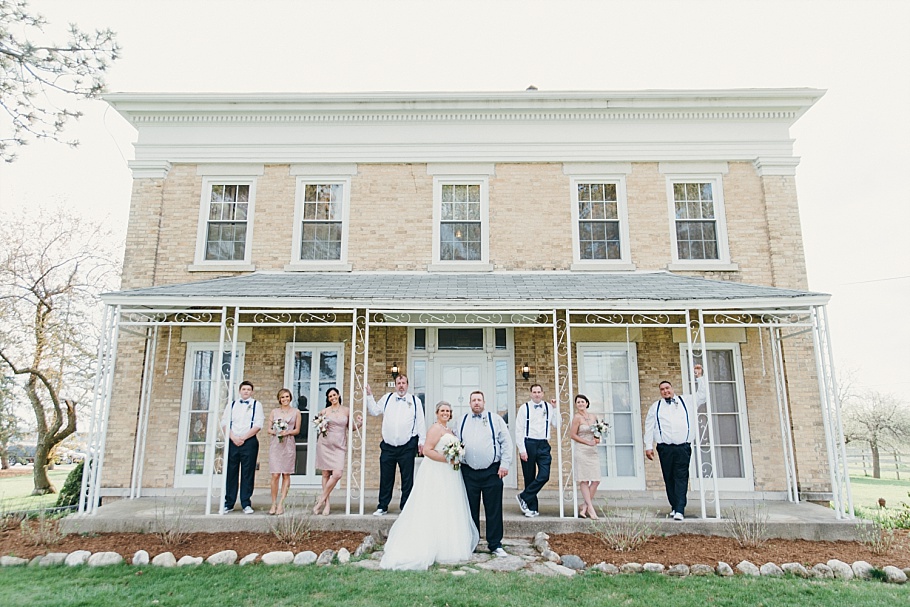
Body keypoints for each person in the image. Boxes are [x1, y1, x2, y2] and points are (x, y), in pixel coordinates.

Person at [380, 401, 479, 570]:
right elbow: (427, 450)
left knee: (448, 506)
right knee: (435, 504)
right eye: (442, 410)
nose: (445, 413)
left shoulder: (449, 430)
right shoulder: (435, 429)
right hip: (437, 471)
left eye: (448, 410)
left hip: (450, 474)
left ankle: (447, 545)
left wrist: (455, 456)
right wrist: (448, 459)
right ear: (437, 412)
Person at [643, 364, 706, 520]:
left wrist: (700, 377)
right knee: (668, 477)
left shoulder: (687, 401)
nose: (665, 391)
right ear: (660, 392)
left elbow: (703, 395)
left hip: (682, 447)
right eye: (662, 389)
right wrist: (648, 446)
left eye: (667, 388)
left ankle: (680, 509)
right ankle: (674, 505)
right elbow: (649, 426)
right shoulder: (655, 407)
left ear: (672, 389)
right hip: (664, 448)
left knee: (681, 476)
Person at [456, 390, 512, 557]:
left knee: (493, 508)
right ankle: (471, 542)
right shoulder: (462, 421)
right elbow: (456, 442)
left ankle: (495, 544)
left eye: (479, 400)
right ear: (470, 403)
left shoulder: (495, 420)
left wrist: (505, 464)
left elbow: (506, 443)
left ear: (484, 402)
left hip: (492, 471)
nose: (476, 403)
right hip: (468, 472)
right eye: (473, 400)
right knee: (470, 509)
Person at [365, 374, 426, 516]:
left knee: (407, 478)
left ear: (407, 385)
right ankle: (383, 506)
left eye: (403, 382)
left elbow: (420, 422)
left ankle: (406, 507)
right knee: (386, 477)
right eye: (399, 382)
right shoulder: (387, 398)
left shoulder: (415, 401)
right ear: (395, 384)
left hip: (407, 446)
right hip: (388, 446)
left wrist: (421, 441)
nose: (401, 385)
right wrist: (369, 395)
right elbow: (374, 411)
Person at [313, 387, 362, 515]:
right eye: (330, 396)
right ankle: (326, 505)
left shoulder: (346, 410)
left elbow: (350, 427)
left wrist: (359, 423)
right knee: (325, 475)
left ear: (338, 395)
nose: (333, 398)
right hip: (325, 445)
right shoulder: (324, 411)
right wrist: (320, 424)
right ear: (328, 399)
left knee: (337, 474)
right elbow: (319, 426)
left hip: (339, 446)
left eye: (334, 395)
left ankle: (320, 499)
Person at [514, 384, 559, 518]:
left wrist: (556, 409)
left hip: (544, 444)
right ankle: (532, 508)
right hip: (529, 443)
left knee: (544, 475)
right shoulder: (524, 408)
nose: (537, 394)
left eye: (539, 392)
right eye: (534, 392)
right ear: (530, 394)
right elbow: (518, 430)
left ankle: (524, 496)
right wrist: (522, 449)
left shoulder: (548, 407)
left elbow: (557, 424)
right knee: (529, 477)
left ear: (543, 393)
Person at [220, 380, 264, 514]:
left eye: (248, 389)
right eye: (244, 389)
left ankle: (246, 503)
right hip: (233, 441)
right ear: (240, 391)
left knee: (247, 473)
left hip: (249, 442)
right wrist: (233, 437)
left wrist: (244, 438)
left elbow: (258, 424)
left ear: (252, 392)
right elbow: (224, 422)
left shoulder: (257, 405)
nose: (246, 391)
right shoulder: (232, 404)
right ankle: (229, 503)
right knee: (231, 472)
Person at [267, 388, 302, 515]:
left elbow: (297, 430)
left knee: (286, 474)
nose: (285, 399)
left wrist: (287, 432)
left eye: (287, 397)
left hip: (288, 444)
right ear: (279, 399)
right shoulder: (274, 412)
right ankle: (273, 503)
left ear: (290, 398)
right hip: (276, 444)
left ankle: (281, 503)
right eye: (282, 397)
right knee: (275, 474)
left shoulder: (296, 412)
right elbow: (269, 430)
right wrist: (277, 432)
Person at [569, 393, 601, 519]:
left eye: (582, 401)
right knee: (584, 479)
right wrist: (587, 442)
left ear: (587, 403)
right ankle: (591, 508)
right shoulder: (577, 418)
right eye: (578, 402)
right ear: (576, 405)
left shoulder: (593, 417)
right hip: (582, 450)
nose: (581, 404)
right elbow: (573, 435)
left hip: (593, 451)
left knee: (596, 480)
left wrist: (597, 439)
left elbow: (598, 431)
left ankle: (585, 506)